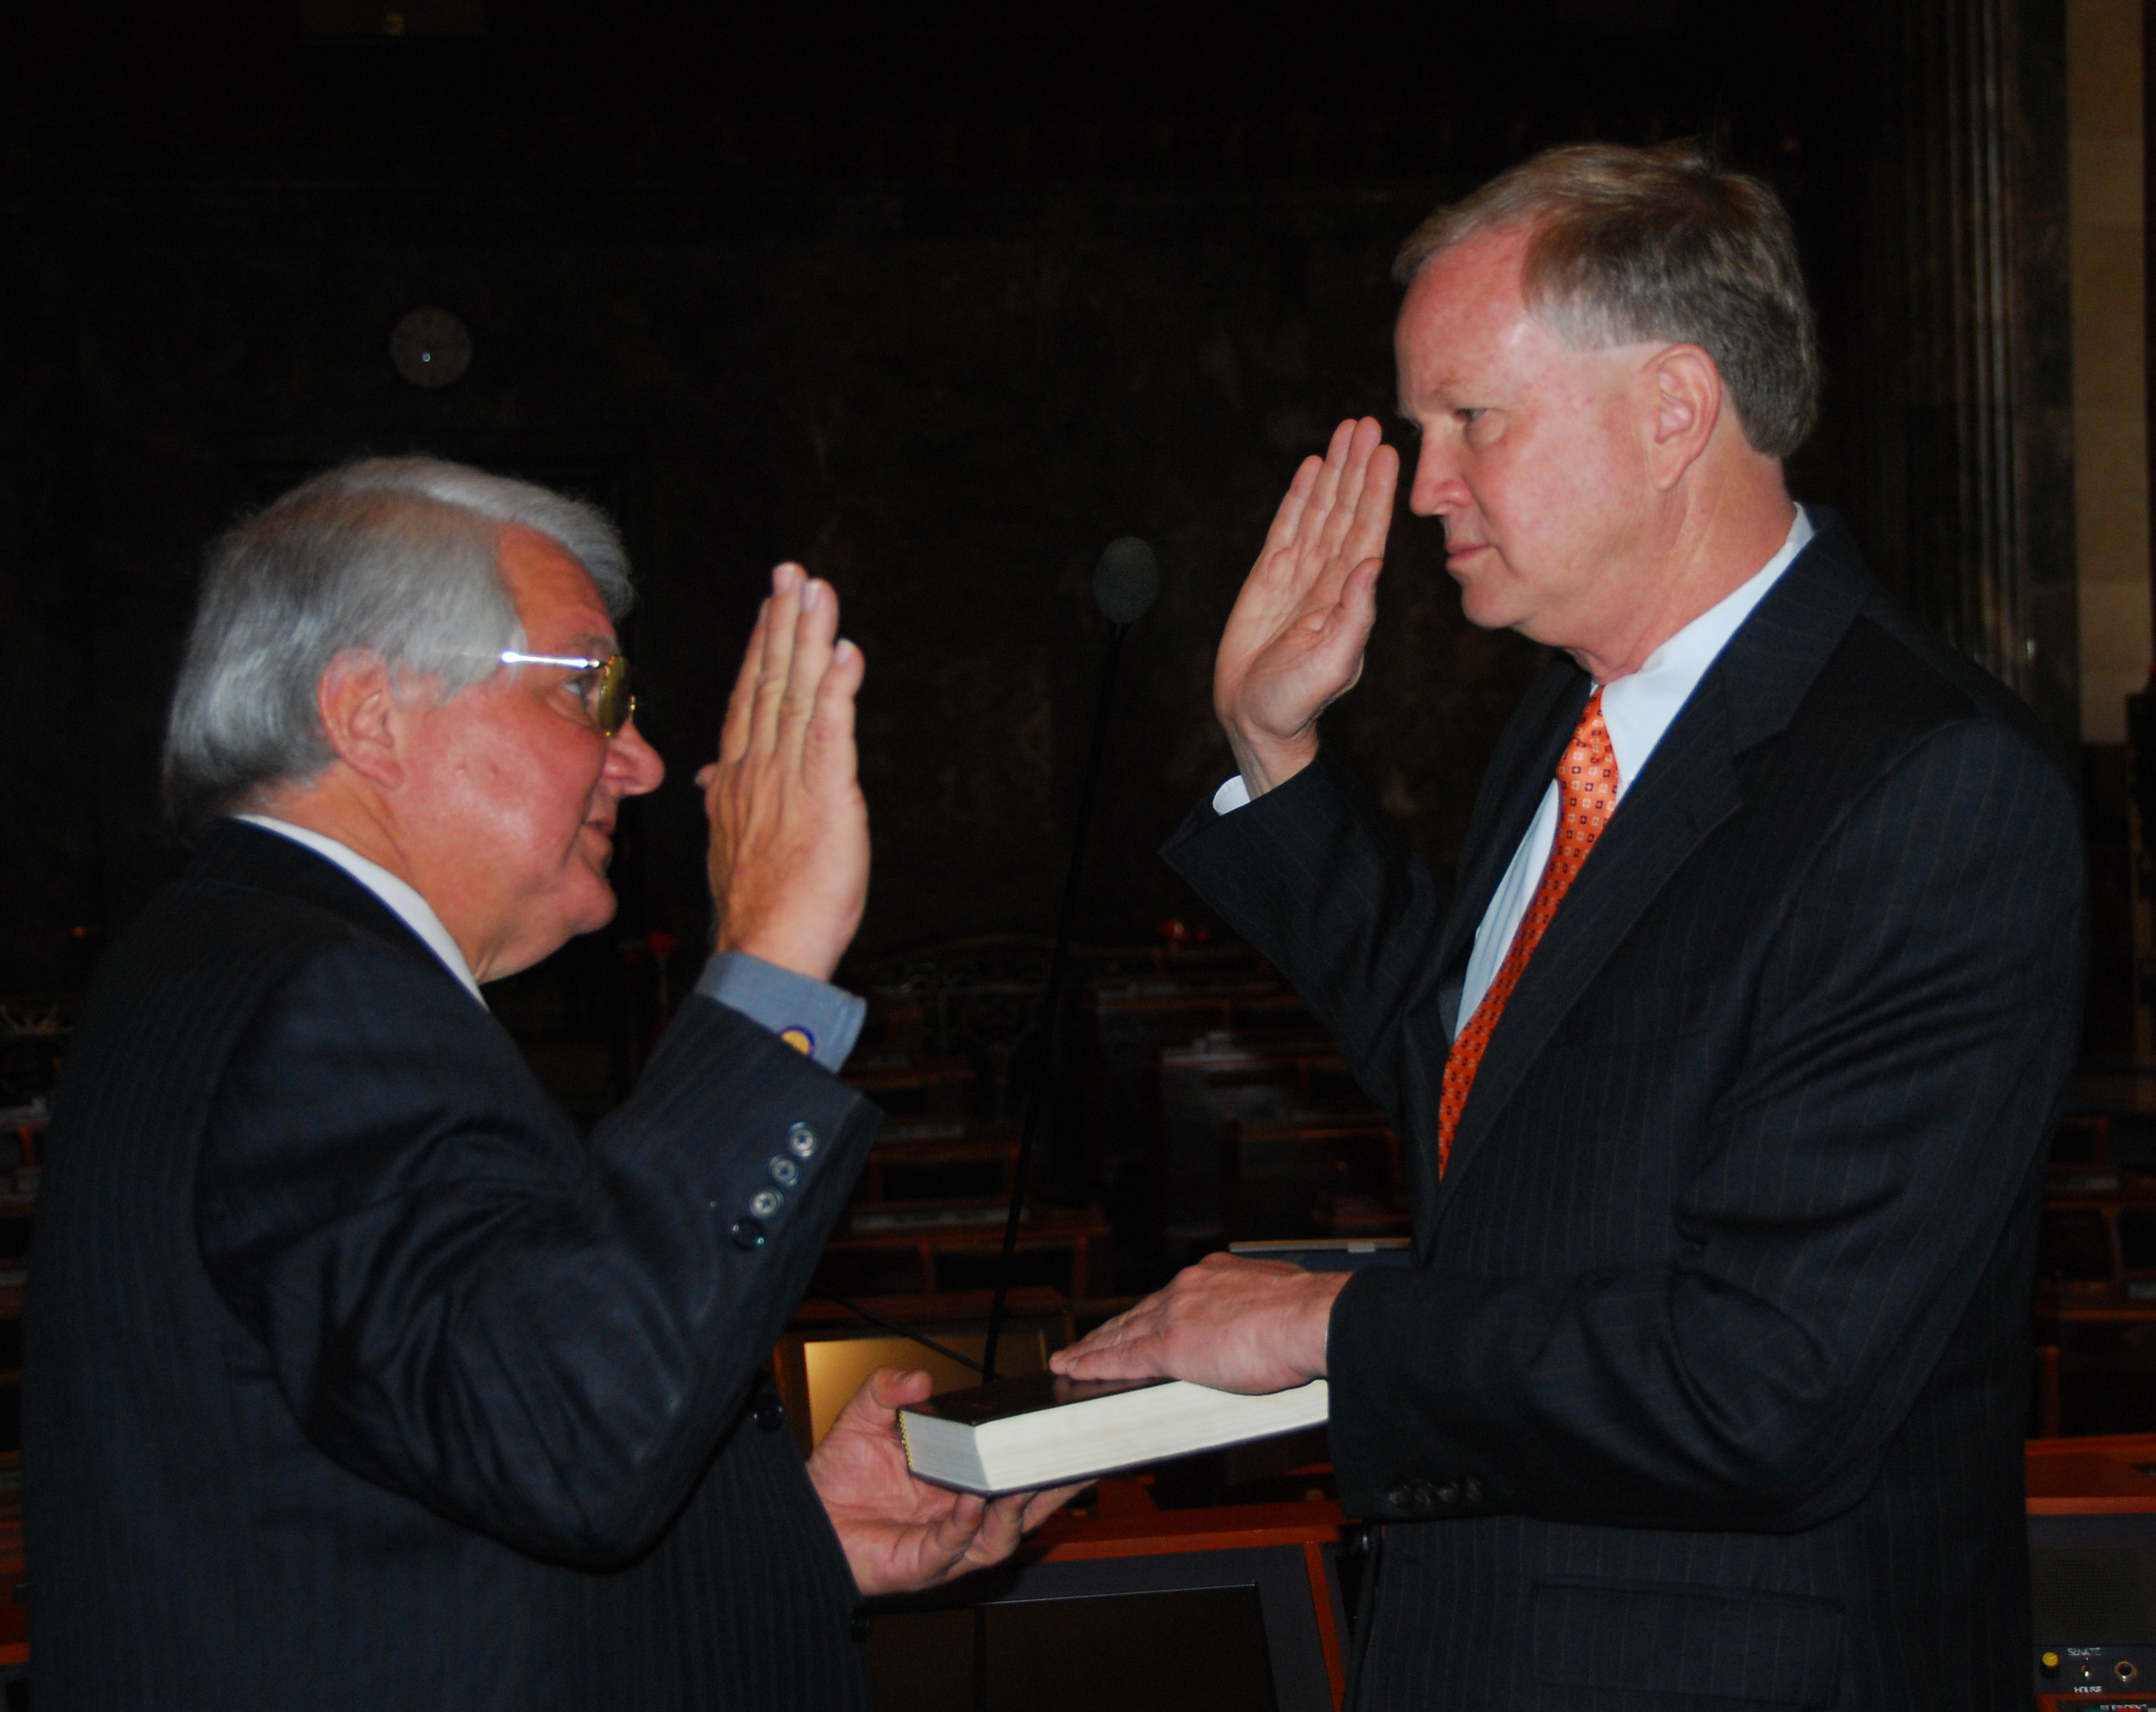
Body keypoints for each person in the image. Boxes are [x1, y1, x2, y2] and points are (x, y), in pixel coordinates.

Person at [1054, 142, 2084, 1707]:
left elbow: (1767, 1389)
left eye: (1470, 418)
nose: (1428, 484)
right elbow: (1479, 1070)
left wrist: (1333, 1329)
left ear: (1672, 411)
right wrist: (1275, 753)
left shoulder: (1923, 784)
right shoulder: (1567, 719)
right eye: (1418, 428)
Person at [26, 458, 1069, 1710]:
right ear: (371, 714)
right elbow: (564, 1435)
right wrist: (770, 967)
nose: (637, 761)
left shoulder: (220, 957)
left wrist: (790, 1535)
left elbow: (417, 1473)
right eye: (592, 687)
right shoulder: (318, 1002)